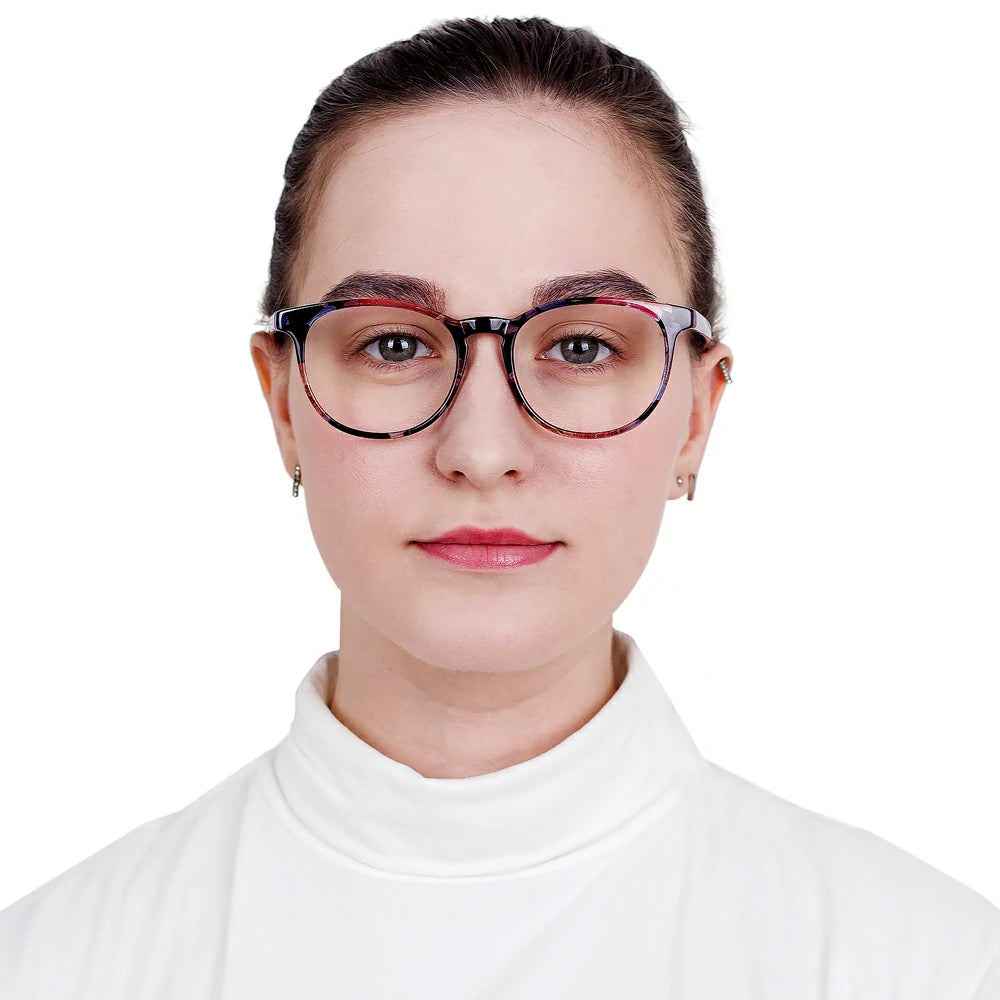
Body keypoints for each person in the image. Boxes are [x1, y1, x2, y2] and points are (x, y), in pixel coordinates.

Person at [1, 14, 997, 999]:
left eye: (581, 346)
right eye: (394, 344)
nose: (482, 451)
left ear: (696, 414)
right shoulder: (51, 968)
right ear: (282, 402)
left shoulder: (932, 968)